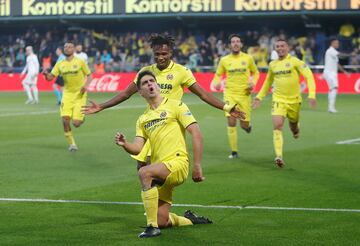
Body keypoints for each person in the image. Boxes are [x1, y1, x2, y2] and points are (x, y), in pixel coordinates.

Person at [83, 34, 244, 168]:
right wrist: (102, 106)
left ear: (171, 53)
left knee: (159, 171)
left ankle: (160, 204)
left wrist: (227, 107)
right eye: (157, 54)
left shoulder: (182, 71)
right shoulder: (145, 72)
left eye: (164, 54)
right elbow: (125, 94)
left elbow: (203, 94)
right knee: (143, 168)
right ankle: (154, 206)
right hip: (150, 122)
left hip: (170, 124)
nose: (161, 57)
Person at [115, 70, 212, 238]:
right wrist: (125, 145)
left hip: (177, 164)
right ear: (140, 92)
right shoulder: (143, 118)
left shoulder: (176, 105)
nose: (150, 84)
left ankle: (151, 228)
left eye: (152, 81)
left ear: (157, 85)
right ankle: (189, 219)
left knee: (144, 172)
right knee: (163, 220)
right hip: (161, 172)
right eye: (145, 83)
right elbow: (138, 147)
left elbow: (196, 133)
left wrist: (197, 165)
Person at [252, 39, 316, 167]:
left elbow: (309, 76)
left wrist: (312, 94)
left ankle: (295, 130)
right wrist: (259, 97)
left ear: (287, 47)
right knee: (277, 126)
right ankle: (279, 156)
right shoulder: (273, 65)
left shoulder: (295, 62)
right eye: (277, 46)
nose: (280, 48)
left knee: (293, 126)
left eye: (282, 46)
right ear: (275, 49)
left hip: (294, 101)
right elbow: (268, 83)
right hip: (278, 100)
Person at [212, 34, 259, 159]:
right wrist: (216, 82)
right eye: (233, 42)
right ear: (229, 45)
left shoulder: (248, 58)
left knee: (243, 124)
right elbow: (218, 74)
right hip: (230, 94)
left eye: (238, 41)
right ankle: (234, 151)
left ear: (241, 44)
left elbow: (256, 72)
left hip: (244, 95)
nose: (236, 43)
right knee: (231, 121)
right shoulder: (224, 60)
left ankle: (247, 127)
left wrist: (252, 83)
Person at [43, 41, 92, 151]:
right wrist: (46, 75)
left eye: (70, 47)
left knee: (76, 123)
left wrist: (86, 86)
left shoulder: (80, 62)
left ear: (73, 49)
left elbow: (89, 76)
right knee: (65, 120)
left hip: (80, 94)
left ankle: (81, 117)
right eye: (65, 47)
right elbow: (51, 77)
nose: (67, 48)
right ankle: (72, 144)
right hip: (67, 95)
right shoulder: (60, 64)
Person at [323, 38, 350, 113]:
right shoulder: (330, 50)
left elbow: (337, 64)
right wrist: (351, 54)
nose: (337, 44)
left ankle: (330, 107)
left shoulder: (333, 52)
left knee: (332, 89)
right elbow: (341, 55)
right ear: (332, 43)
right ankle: (331, 108)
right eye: (336, 43)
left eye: (338, 43)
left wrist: (345, 72)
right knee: (335, 87)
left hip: (333, 73)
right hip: (329, 73)